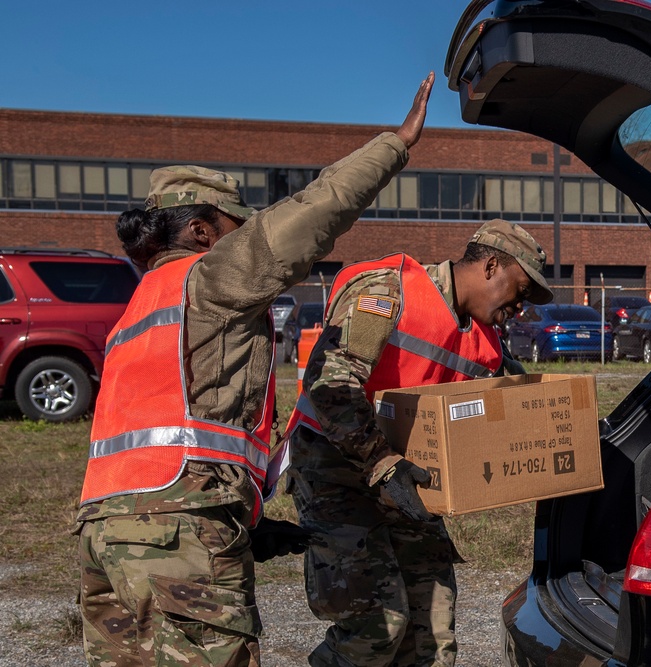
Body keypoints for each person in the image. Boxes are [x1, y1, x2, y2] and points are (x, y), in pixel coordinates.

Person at [75, 72, 435, 667]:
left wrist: (248, 519)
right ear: (200, 230)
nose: (246, 237)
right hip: (178, 524)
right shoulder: (209, 276)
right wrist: (395, 144)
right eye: (236, 227)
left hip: (104, 531)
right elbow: (313, 211)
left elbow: (167, 430)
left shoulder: (138, 309)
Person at [284, 219, 552, 666]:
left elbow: (510, 405)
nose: (520, 307)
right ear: (491, 266)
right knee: (376, 627)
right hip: (338, 472)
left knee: (433, 632)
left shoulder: (485, 339)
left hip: (406, 480)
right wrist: (384, 462)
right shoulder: (389, 293)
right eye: (520, 290)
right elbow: (330, 385)